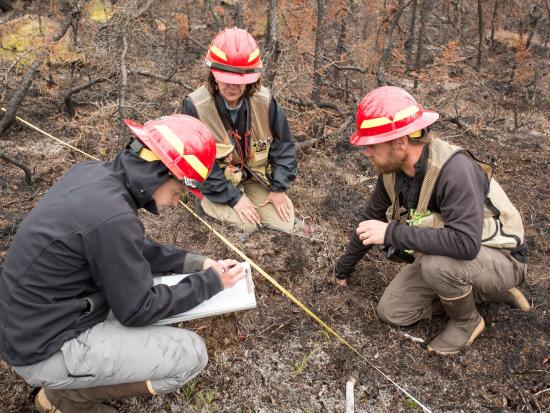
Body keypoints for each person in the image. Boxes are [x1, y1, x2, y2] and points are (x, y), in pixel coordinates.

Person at [0, 115, 246, 413]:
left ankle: (68, 390)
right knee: (191, 354)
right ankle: (67, 401)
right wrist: (212, 284)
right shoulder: (113, 218)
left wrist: (195, 263)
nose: (173, 203)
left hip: (33, 323)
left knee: (142, 290)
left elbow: (129, 249)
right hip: (43, 347)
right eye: (177, 192)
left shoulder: (94, 177)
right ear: (159, 173)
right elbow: (137, 310)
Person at [334, 86, 530, 355]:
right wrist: (343, 270)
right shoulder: (394, 170)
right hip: (455, 259)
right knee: (392, 311)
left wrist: (392, 233)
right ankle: (484, 294)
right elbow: (372, 219)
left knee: (438, 265)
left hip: (503, 259)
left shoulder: (455, 171)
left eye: (371, 144)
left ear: (400, 141)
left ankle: (467, 321)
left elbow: (465, 244)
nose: (366, 152)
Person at [182, 27, 298, 234]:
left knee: (285, 225)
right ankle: (206, 204)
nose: (233, 86)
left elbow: (284, 145)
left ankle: (246, 200)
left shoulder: (265, 101)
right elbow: (199, 165)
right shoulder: (196, 106)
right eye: (226, 79)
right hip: (217, 183)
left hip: (252, 177)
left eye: (240, 80)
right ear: (213, 74)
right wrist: (234, 198)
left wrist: (279, 188)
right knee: (248, 225)